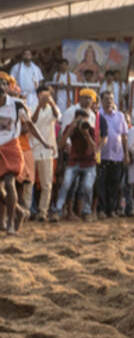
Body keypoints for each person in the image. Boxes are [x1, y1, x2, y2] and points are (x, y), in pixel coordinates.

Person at [0, 75, 52, 234]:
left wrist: (43, 142)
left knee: (9, 183)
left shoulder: (17, 105)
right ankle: (19, 211)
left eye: (3, 83)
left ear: (8, 87)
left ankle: (10, 225)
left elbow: (30, 126)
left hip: (12, 148)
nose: (0, 86)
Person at [52, 109, 98, 222]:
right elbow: (61, 145)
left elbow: (94, 148)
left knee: (87, 186)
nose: (82, 123)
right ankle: (58, 211)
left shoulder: (90, 129)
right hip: (74, 161)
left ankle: (86, 212)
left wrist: (86, 134)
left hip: (89, 163)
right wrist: (71, 128)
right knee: (66, 184)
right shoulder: (70, 128)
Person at [96, 91, 129, 219]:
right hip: (102, 156)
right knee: (101, 184)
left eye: (111, 99)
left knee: (115, 184)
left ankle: (113, 210)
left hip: (117, 156)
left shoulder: (120, 116)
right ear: (101, 100)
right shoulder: (98, 115)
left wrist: (126, 154)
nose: (109, 101)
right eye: (106, 99)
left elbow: (124, 136)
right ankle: (102, 210)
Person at [30, 86, 60, 221]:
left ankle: (42, 212)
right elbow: (33, 121)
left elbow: (57, 116)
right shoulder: (31, 106)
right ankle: (26, 210)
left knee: (46, 184)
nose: (45, 98)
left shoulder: (52, 108)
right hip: (32, 149)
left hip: (47, 150)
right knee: (28, 182)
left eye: (47, 95)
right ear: (38, 95)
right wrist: (39, 105)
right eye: (43, 95)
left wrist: (51, 103)